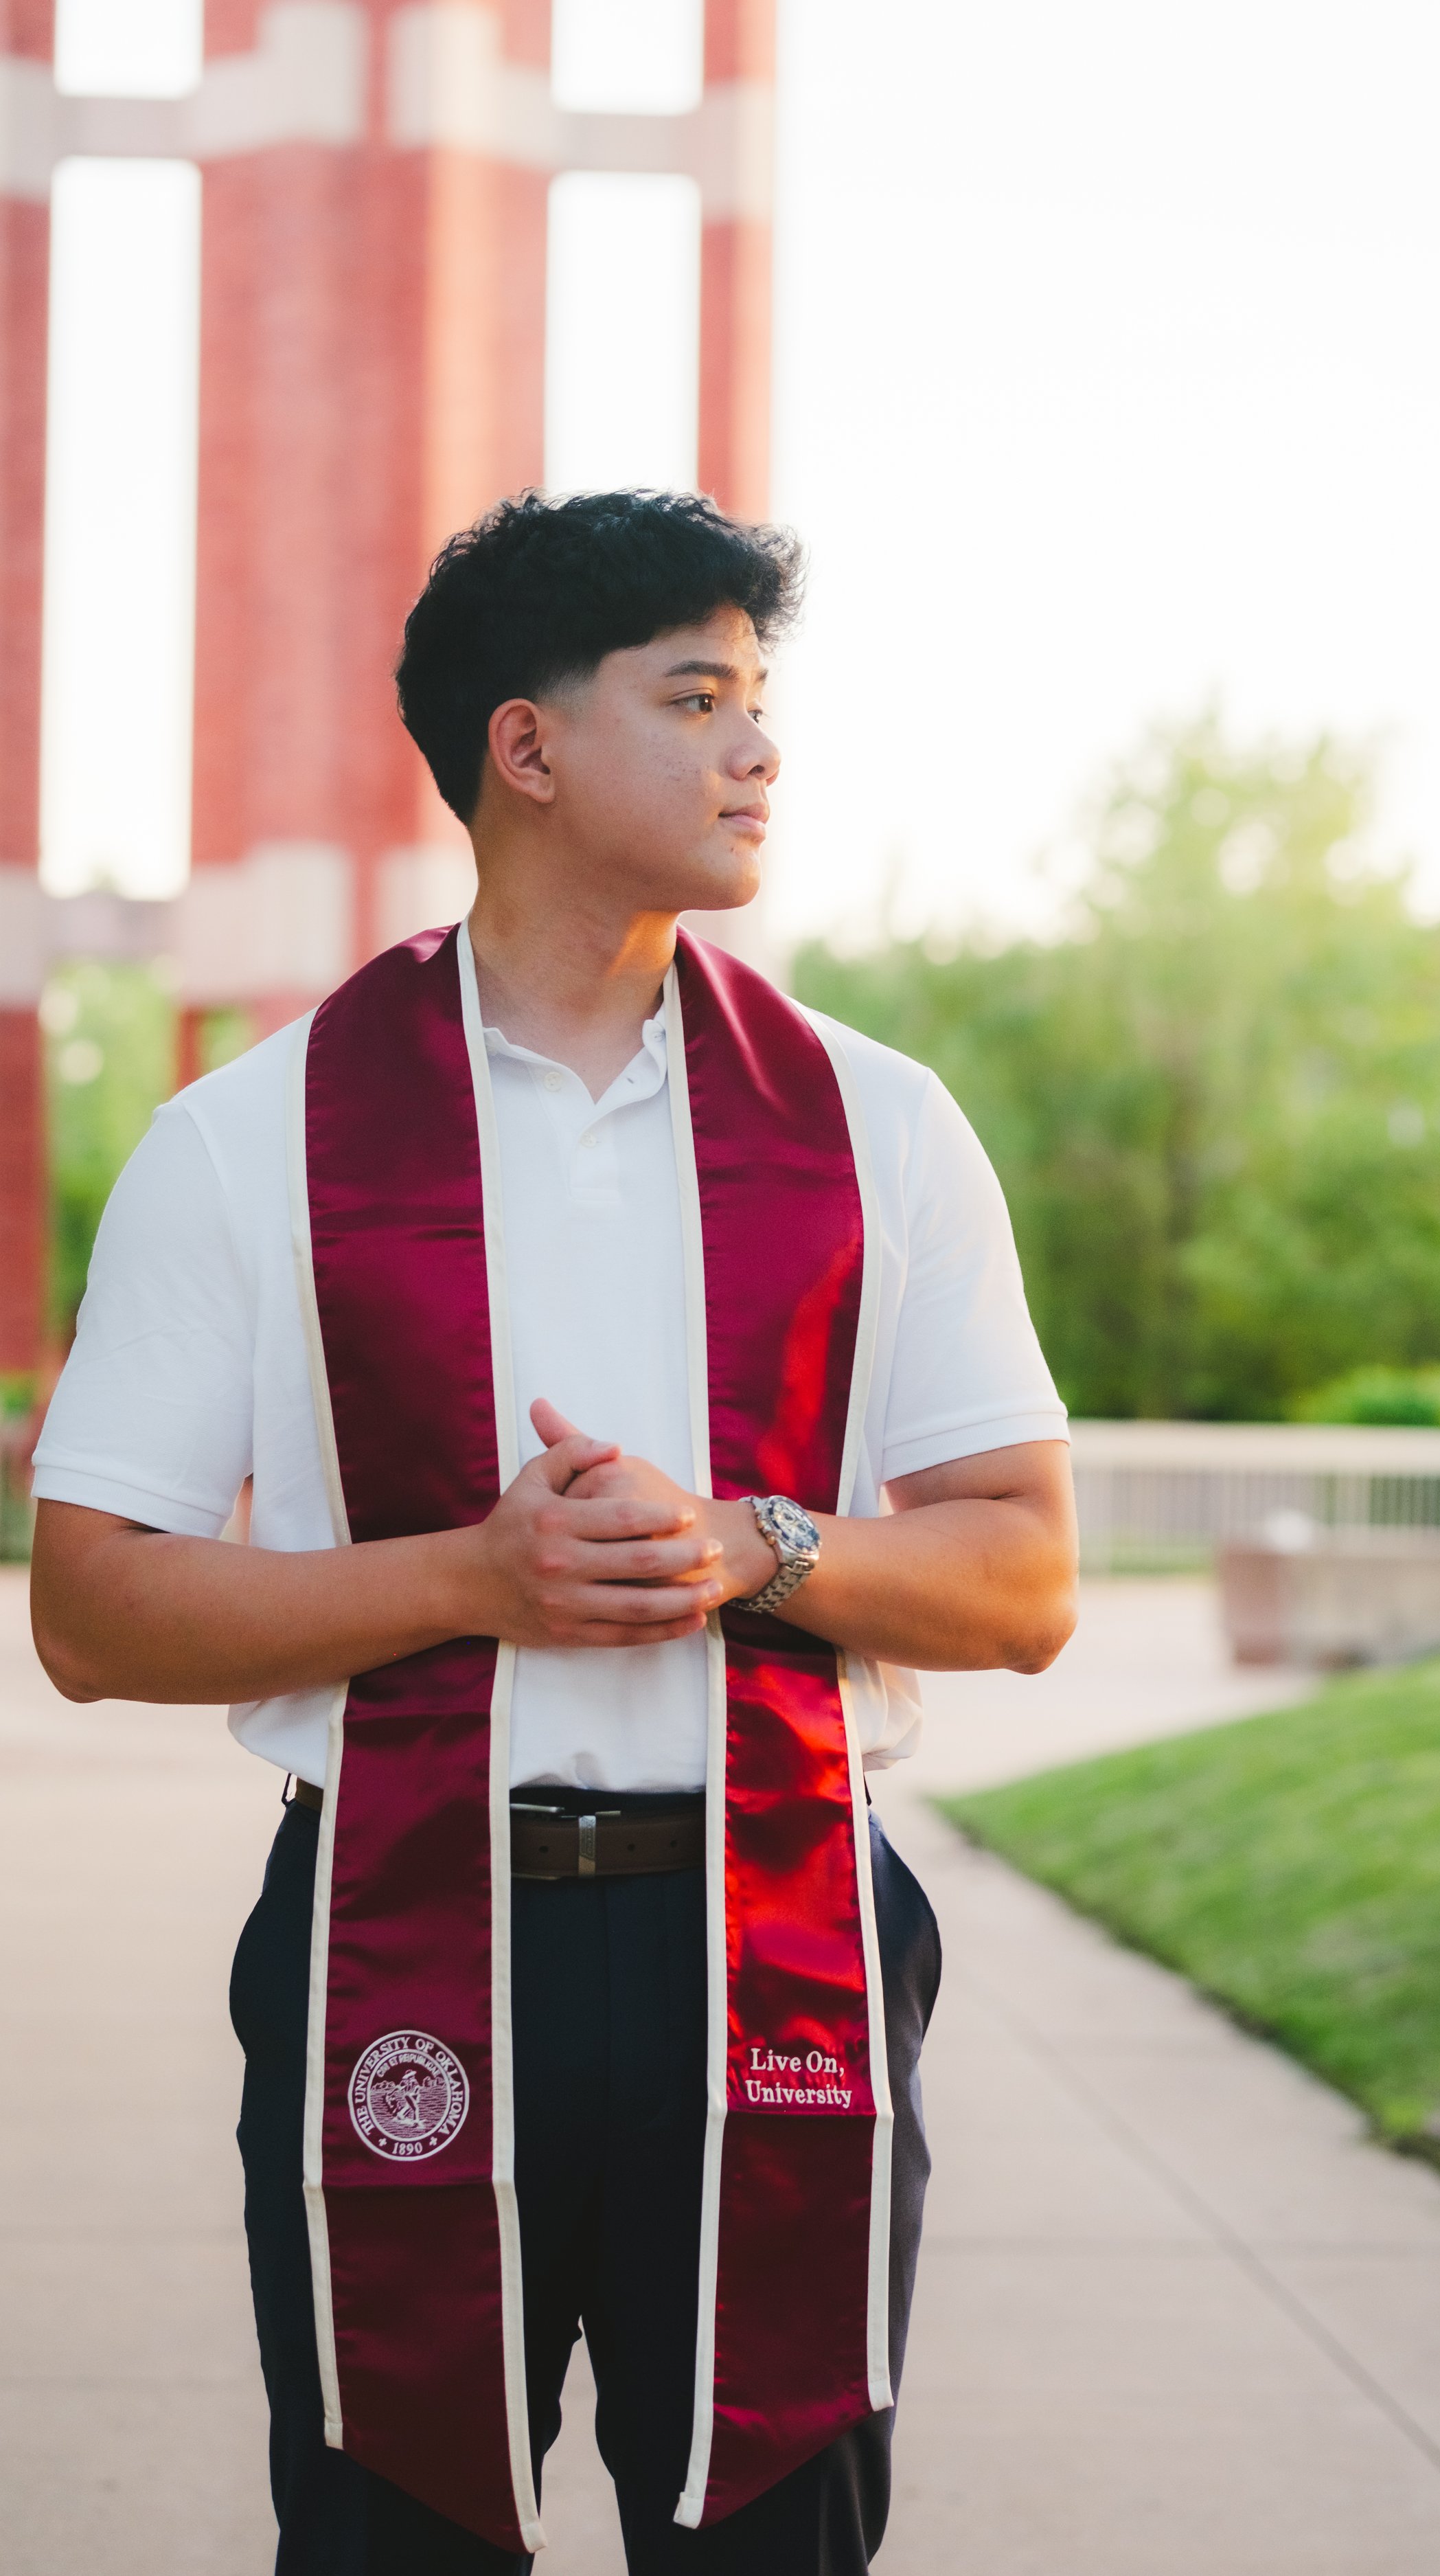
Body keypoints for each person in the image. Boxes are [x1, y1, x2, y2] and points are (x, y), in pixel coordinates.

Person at [30, 489, 1078, 2575]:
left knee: (770, 2540)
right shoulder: (253, 1141)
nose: (756, 750)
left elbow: (1025, 1575)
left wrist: (753, 1549)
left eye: (761, 702)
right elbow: (90, 1608)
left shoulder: (878, 1126)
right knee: (386, 2532)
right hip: (391, 1940)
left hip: (779, 1936)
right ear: (523, 748)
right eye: (694, 699)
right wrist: (469, 1581)